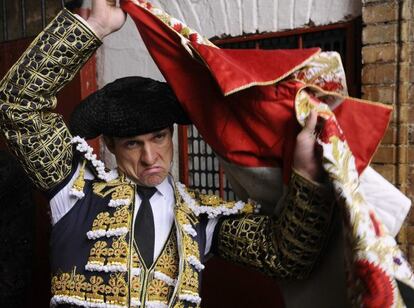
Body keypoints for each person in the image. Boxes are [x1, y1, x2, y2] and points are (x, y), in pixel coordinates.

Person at [0, 1, 334, 307]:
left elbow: (285, 255)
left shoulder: (199, 217)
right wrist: (94, 28)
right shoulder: (75, 190)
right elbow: (18, 106)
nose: (150, 157)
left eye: (158, 137)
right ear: (112, 145)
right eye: (133, 143)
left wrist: (307, 174)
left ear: (171, 134)